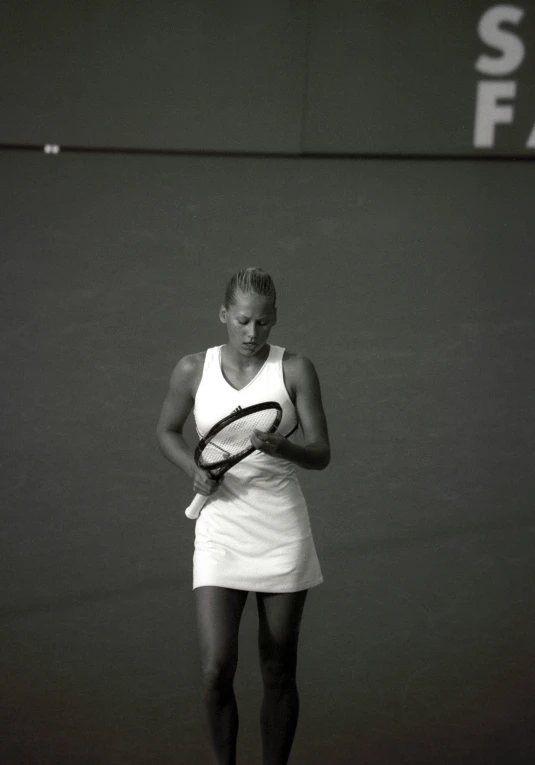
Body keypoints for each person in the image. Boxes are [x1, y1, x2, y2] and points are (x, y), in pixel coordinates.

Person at [156, 267, 330, 765]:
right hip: (219, 530)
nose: (253, 334)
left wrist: (285, 448)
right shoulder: (193, 369)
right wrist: (194, 469)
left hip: (281, 531)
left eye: (264, 323)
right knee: (215, 669)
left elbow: (320, 452)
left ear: (275, 321)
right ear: (224, 315)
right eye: (243, 321)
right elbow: (167, 431)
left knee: (278, 672)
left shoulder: (296, 369)